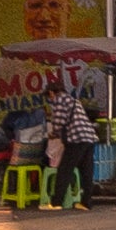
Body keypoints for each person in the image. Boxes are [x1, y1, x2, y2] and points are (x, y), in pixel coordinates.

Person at [44, 71, 98, 212]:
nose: (49, 98)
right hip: (89, 137)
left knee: (64, 170)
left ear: (51, 92)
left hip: (76, 139)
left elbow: (58, 122)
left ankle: (56, 203)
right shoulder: (73, 100)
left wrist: (53, 134)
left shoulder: (59, 100)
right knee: (87, 171)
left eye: (48, 95)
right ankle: (86, 203)